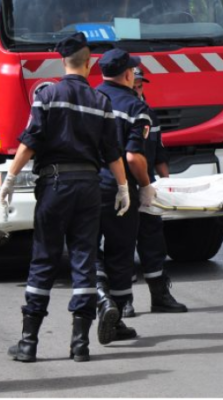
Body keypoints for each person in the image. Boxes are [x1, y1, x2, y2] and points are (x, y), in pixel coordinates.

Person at [0, 32, 130, 363]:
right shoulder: (102, 103)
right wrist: (124, 187)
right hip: (89, 186)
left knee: (44, 259)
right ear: (90, 64)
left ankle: (29, 344)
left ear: (63, 62)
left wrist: (11, 178)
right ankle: (80, 345)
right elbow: (113, 152)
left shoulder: (48, 94)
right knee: (84, 259)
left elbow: (30, 141)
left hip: (54, 185)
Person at [92, 49, 157, 344]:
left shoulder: (89, 99)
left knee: (87, 249)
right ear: (129, 74)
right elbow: (132, 157)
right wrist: (145, 186)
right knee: (120, 252)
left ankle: (100, 295)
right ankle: (114, 317)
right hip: (119, 190)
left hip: (83, 186)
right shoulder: (134, 107)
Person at [121, 68, 187, 318]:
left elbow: (159, 154)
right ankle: (123, 299)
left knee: (153, 242)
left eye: (141, 86)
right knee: (123, 244)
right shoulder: (117, 111)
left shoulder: (149, 114)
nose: (138, 90)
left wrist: (168, 187)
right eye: (135, 85)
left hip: (148, 185)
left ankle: (159, 296)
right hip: (124, 187)